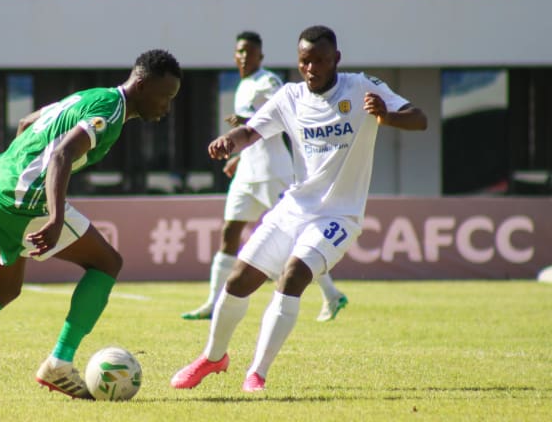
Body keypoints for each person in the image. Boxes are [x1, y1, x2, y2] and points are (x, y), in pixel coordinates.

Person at [0, 49, 182, 401]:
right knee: (107, 263)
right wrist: (55, 216)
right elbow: (62, 154)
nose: (167, 107)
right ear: (141, 85)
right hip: (23, 199)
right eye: (165, 96)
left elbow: (26, 123)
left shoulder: (90, 96)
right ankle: (59, 364)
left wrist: (18, 170)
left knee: (3, 290)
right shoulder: (110, 113)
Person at [171, 25, 427, 393]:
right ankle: (212, 358)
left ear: (336, 59)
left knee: (292, 275)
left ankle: (257, 373)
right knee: (239, 279)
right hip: (293, 208)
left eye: (320, 61)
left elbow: (419, 118)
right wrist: (230, 141)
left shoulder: (361, 87)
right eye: (305, 61)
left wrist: (389, 117)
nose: (311, 68)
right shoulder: (289, 97)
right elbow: (251, 131)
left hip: (339, 216)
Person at [181, 31, 348, 323]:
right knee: (230, 232)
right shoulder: (243, 85)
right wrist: (239, 158)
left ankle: (332, 294)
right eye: (240, 51)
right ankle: (213, 303)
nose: (244, 56)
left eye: (250, 52)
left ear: (261, 56)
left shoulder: (267, 81)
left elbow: (285, 116)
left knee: (297, 235)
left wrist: (245, 121)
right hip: (248, 174)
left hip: (273, 173)